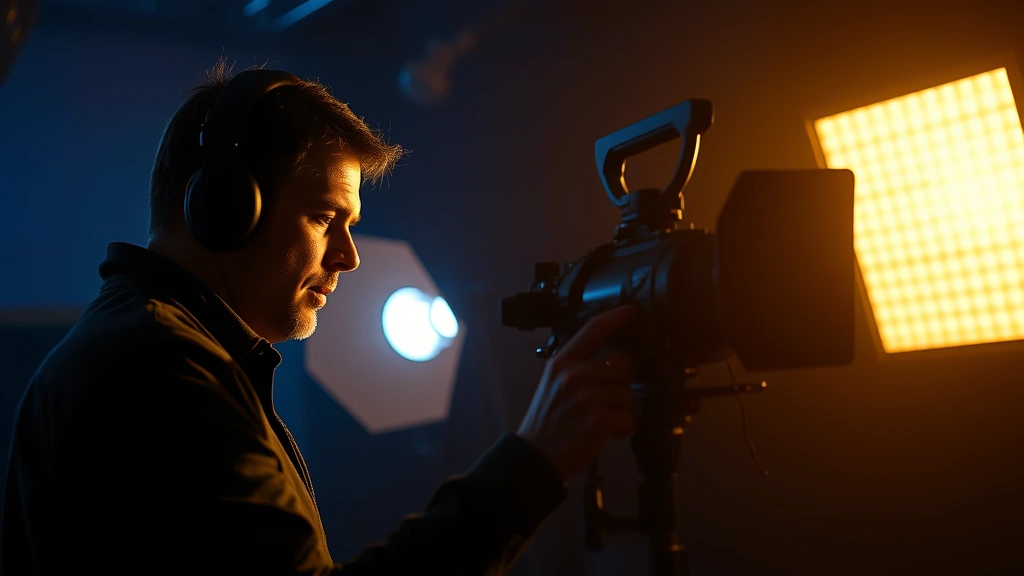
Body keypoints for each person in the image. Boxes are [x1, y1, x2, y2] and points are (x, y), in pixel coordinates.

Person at [0, 60, 638, 574]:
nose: (350, 256)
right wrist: (532, 464)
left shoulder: (155, 351)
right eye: (325, 218)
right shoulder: (157, 369)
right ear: (225, 207)